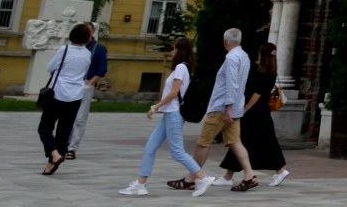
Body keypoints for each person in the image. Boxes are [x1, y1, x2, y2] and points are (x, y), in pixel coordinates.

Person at [119, 38, 201, 195]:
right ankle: (141, 184)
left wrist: (155, 107)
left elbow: (173, 93)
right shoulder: (180, 68)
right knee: (150, 147)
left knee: (177, 151)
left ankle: (203, 178)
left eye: (174, 48)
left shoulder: (180, 68)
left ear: (179, 50)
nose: (172, 51)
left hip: (174, 114)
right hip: (169, 114)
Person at [189, 28, 258, 195]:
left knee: (203, 143)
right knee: (235, 141)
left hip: (221, 108)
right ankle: (249, 174)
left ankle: (193, 178)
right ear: (239, 40)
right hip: (235, 107)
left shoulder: (231, 58)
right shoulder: (244, 56)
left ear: (224, 41)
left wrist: (227, 108)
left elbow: (231, 84)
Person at [218, 42, 289, 187]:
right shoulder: (271, 71)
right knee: (246, 141)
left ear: (262, 54)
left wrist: (245, 109)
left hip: (255, 112)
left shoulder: (262, 72)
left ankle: (280, 170)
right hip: (261, 111)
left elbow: (257, 94)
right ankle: (228, 176)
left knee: (241, 140)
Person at [36, 21, 96, 174]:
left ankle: (54, 154)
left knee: (45, 128)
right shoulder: (87, 54)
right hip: (76, 96)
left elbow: (50, 67)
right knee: (64, 130)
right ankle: (51, 164)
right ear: (87, 38)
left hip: (58, 93)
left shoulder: (65, 49)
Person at [64, 28, 109, 158]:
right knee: (67, 116)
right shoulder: (71, 48)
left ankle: (72, 148)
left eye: (88, 31)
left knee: (80, 118)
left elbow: (101, 69)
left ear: (92, 32)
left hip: (85, 83)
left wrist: (89, 83)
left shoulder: (97, 48)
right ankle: (64, 142)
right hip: (70, 84)